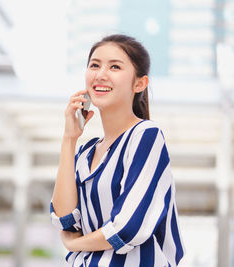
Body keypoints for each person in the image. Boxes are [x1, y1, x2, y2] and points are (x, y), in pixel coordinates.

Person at [50, 34, 185, 266]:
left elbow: (128, 227)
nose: (101, 74)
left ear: (139, 84)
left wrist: (74, 244)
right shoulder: (86, 152)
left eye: (115, 66)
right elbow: (64, 219)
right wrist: (69, 139)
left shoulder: (145, 135)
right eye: (94, 65)